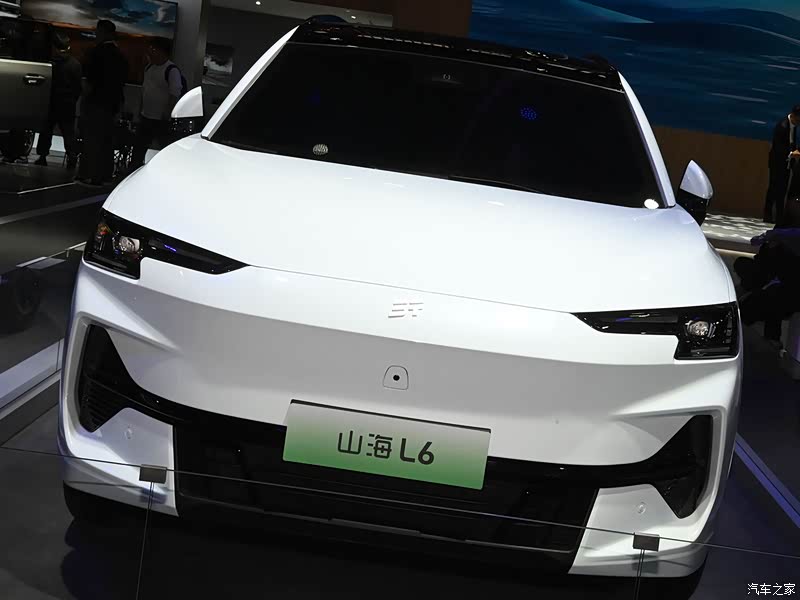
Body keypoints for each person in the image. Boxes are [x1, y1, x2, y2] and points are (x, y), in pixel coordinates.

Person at [77, 19, 128, 185]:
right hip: (112, 104)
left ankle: (91, 175)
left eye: (98, 32)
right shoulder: (120, 56)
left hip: (95, 102)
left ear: (103, 33)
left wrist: (84, 99)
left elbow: (89, 80)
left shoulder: (96, 53)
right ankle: (105, 175)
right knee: (107, 141)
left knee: (92, 139)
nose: (96, 34)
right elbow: (121, 83)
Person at [130, 37, 184, 170]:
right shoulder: (149, 67)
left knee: (164, 148)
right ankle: (134, 171)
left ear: (161, 51)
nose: (150, 53)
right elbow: (144, 90)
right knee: (138, 149)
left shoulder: (171, 70)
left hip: (161, 120)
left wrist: (167, 112)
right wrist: (139, 110)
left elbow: (175, 93)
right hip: (146, 116)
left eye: (153, 49)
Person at [34, 32, 82, 169]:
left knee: (46, 130)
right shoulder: (75, 64)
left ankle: (42, 156)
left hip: (51, 102)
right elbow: (78, 88)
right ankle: (72, 157)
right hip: (67, 104)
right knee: (68, 132)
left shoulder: (50, 64)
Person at [764, 105, 800, 225]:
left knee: (782, 190)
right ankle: (769, 215)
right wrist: (792, 153)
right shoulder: (782, 126)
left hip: (787, 162)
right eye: (798, 120)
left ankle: (779, 217)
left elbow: (791, 142)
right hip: (777, 162)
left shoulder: (793, 125)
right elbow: (779, 148)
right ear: (793, 116)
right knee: (774, 189)